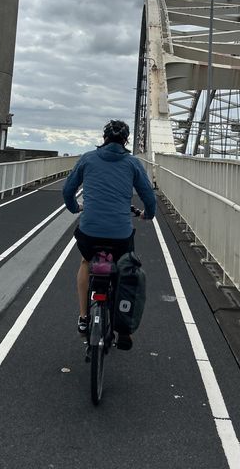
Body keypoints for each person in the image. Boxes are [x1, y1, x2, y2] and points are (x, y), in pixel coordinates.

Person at [62, 119, 157, 349]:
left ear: (104, 138)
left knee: (86, 262)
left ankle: (84, 318)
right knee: (124, 268)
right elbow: (149, 196)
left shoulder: (87, 159)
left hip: (90, 232)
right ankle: (122, 327)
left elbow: (67, 190)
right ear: (125, 140)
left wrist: (75, 207)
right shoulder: (132, 163)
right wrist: (148, 214)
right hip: (121, 235)